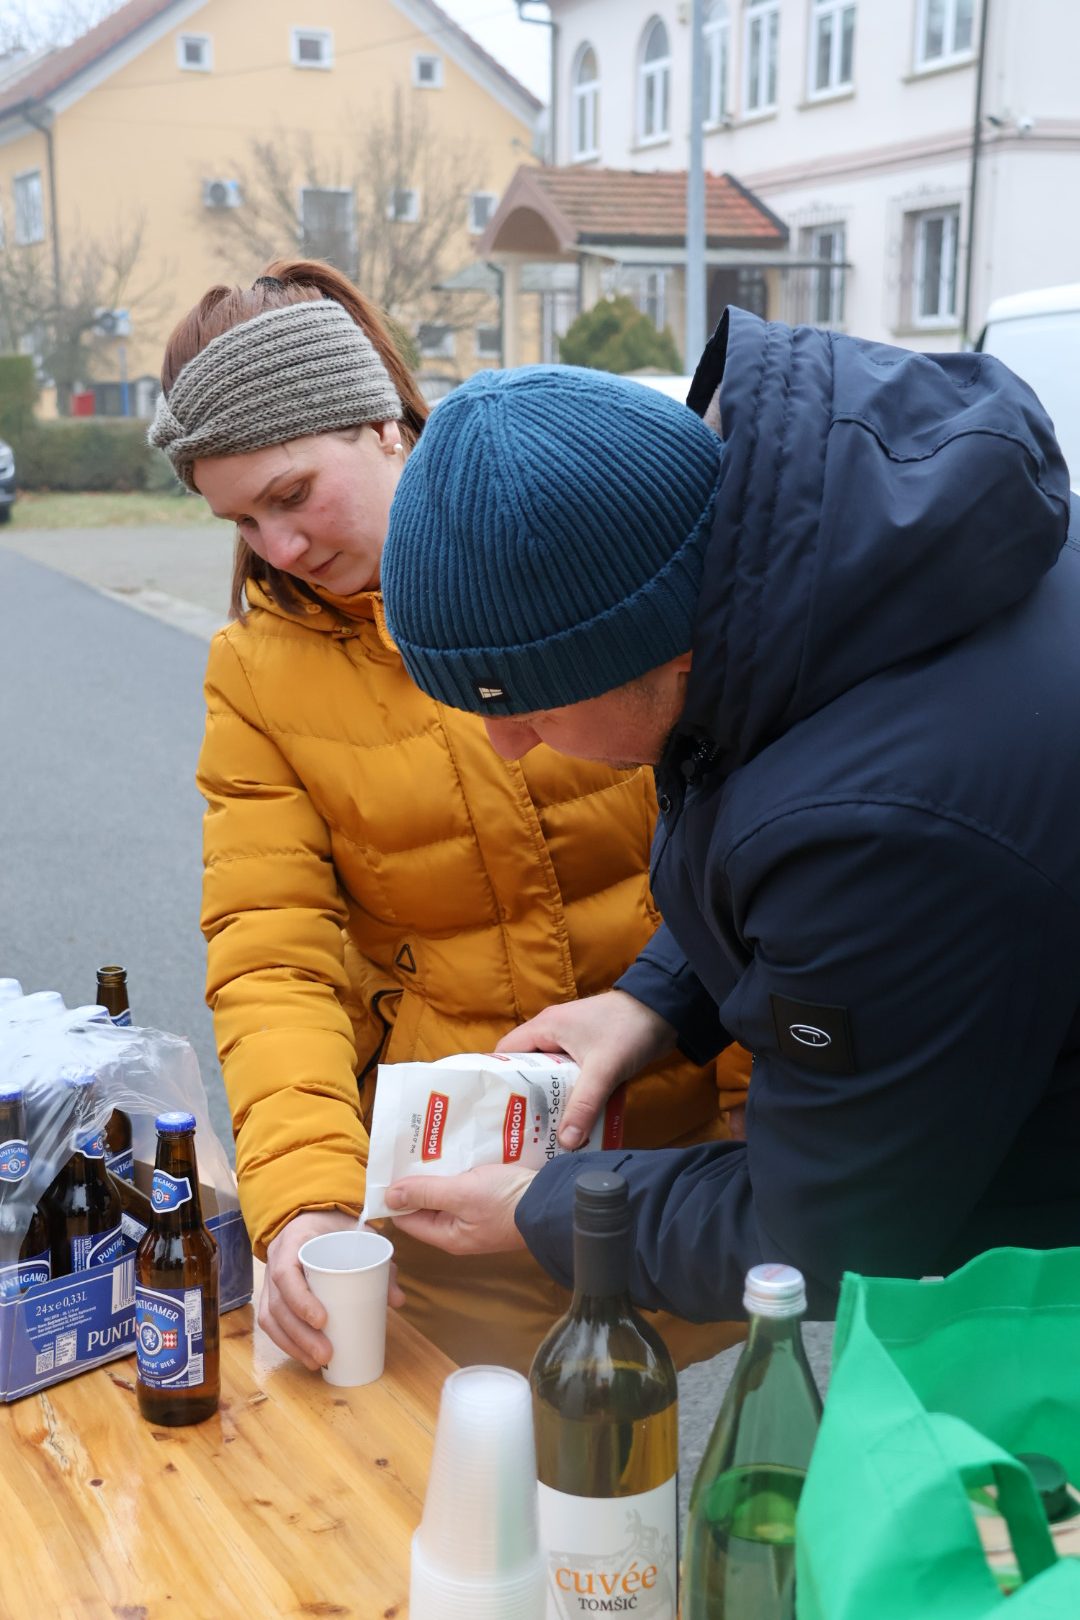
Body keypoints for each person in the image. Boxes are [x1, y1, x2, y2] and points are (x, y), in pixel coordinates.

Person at [378, 306, 1080, 1321]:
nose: (510, 748)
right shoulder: (847, 569)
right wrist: (655, 1001)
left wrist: (545, 1207)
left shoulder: (886, 830)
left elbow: (823, 1239)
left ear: (664, 651)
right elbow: (752, 780)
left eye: (527, 707)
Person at [147, 259, 751, 1371]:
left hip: (680, 1152)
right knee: (484, 1504)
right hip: (457, 1184)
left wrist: (765, 1119)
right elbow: (271, 951)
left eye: (291, 494)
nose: (279, 549)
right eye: (241, 521)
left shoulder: (567, 545)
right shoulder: (258, 673)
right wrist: (306, 1201)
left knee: (686, 1480)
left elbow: (752, 842)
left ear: (381, 420)